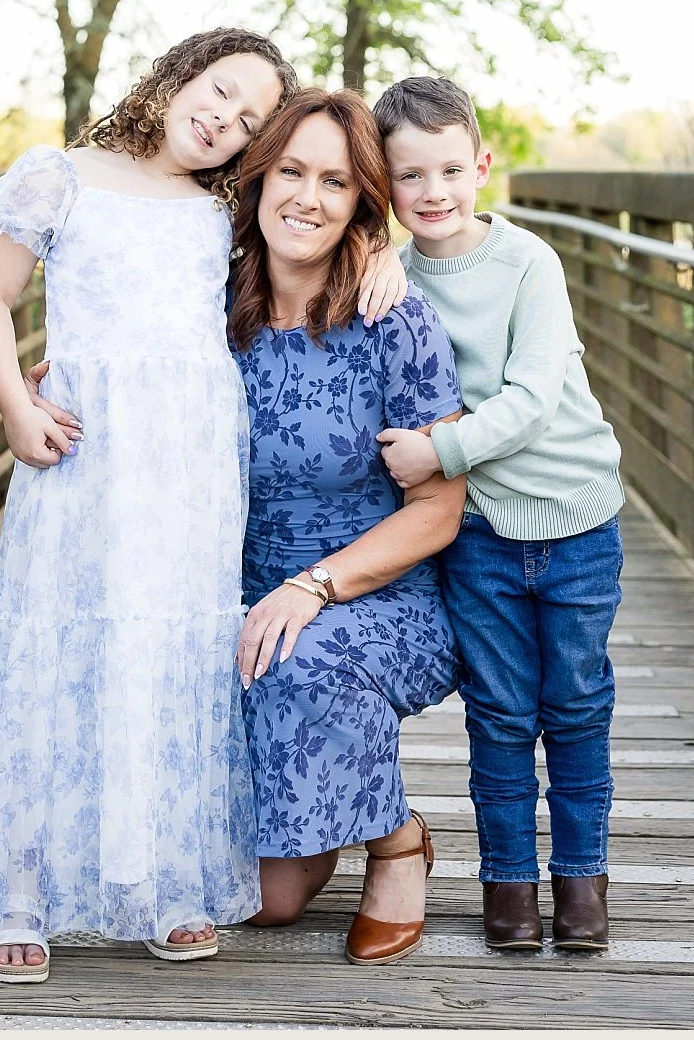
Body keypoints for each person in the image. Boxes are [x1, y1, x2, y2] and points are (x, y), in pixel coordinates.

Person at [0, 28, 408, 983]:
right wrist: (17, 402)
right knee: (59, 640)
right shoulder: (61, 174)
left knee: (176, 650)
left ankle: (162, 879)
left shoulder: (224, 206)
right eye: (219, 90)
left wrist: (385, 252)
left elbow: (314, 226)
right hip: (86, 454)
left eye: (247, 120)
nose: (222, 119)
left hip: (193, 464)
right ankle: (21, 888)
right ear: (178, 71)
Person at [374, 75, 626, 953]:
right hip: (478, 534)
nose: (432, 193)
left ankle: (583, 883)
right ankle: (510, 887)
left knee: (578, 704)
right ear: (386, 185)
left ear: (481, 164)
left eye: (449, 169)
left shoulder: (527, 263)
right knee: (501, 712)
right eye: (408, 177)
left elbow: (529, 397)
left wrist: (437, 452)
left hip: (575, 522)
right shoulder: (391, 277)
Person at [220, 87, 468, 965]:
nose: (307, 198)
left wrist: (314, 585)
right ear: (256, 180)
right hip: (234, 591)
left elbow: (439, 510)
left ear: (362, 202)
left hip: (379, 596)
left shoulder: (390, 318)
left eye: (335, 182)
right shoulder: (208, 305)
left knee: (298, 651)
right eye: (290, 171)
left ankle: (397, 840)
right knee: (263, 901)